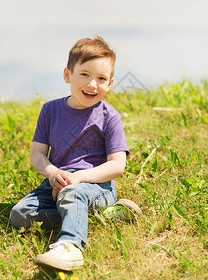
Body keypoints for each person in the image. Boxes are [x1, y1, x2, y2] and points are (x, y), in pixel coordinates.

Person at [9, 36, 141, 271]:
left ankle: (70, 246)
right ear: (67, 75)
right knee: (20, 214)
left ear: (109, 84)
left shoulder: (109, 117)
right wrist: (52, 173)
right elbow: (37, 154)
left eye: (101, 79)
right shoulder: (50, 110)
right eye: (85, 75)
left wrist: (78, 178)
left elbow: (117, 166)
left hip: (95, 185)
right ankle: (101, 215)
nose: (92, 84)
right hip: (56, 181)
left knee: (72, 194)